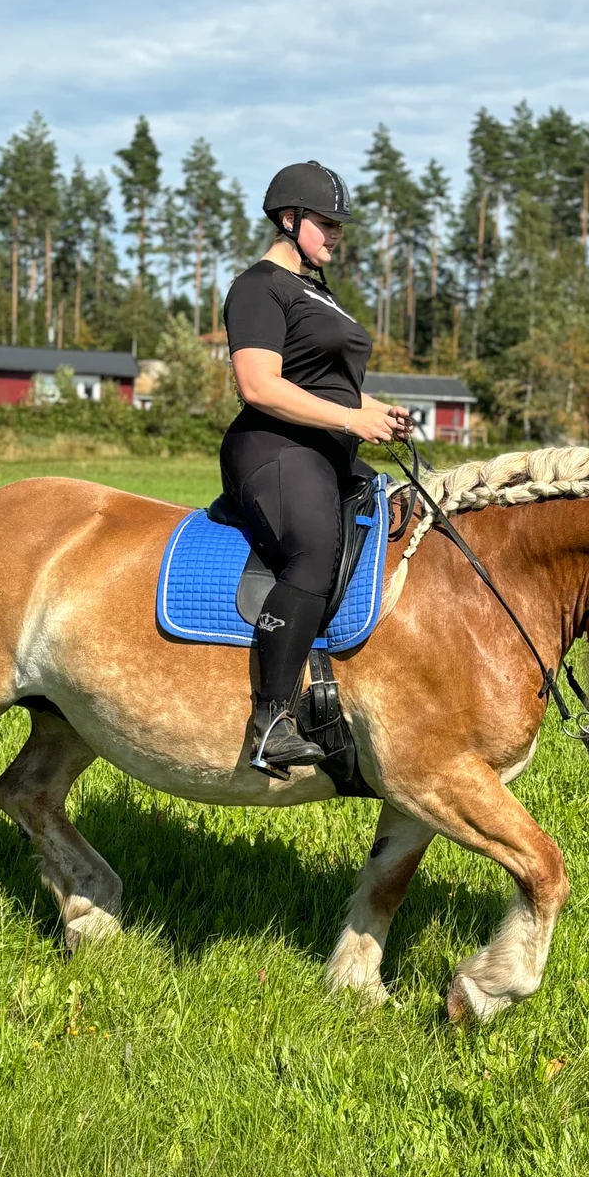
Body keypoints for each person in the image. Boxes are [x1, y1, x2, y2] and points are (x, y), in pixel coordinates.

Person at [221, 161, 412, 772]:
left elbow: (325, 385)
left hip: (328, 451)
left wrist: (375, 410)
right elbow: (259, 386)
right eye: (326, 223)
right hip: (273, 449)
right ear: (289, 219)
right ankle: (270, 720)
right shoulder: (258, 287)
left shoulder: (317, 292)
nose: (335, 235)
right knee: (314, 550)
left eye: (339, 226)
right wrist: (352, 420)